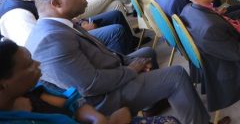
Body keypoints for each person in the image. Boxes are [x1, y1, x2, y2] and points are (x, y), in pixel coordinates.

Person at [25, 0, 219, 123]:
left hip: (107, 75)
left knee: (146, 53)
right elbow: (90, 85)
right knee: (176, 75)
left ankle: (152, 105)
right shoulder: (52, 39)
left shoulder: (60, 24)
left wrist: (128, 61)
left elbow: (101, 52)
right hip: (102, 99)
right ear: (57, 3)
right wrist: (131, 70)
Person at [0, 40, 159, 124]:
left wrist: (96, 118)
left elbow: (72, 103)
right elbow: (90, 85)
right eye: (28, 65)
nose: (37, 63)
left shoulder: (32, 92)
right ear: (3, 83)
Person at [0, 0, 136, 55]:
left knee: (115, 14)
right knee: (115, 31)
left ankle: (130, 46)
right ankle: (122, 70)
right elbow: (40, 49)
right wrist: (81, 30)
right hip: (63, 43)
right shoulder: (16, 15)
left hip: (67, 27)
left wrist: (78, 23)